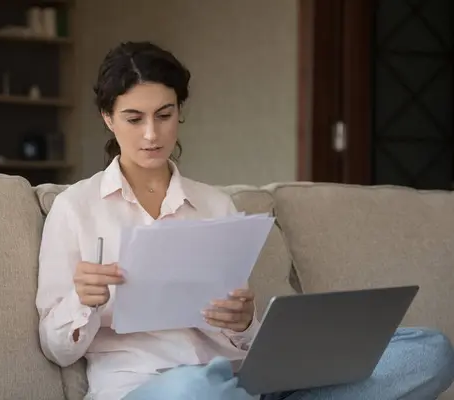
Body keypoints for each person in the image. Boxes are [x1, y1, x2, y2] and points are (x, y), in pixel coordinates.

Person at [36, 41, 454, 400]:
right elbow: (57, 349)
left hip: (245, 380)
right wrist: (83, 302)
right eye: (134, 118)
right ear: (108, 118)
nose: (151, 134)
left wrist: (243, 322)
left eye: (164, 115)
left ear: (179, 112)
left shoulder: (215, 205)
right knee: (200, 389)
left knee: (428, 351)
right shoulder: (76, 208)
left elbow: (246, 336)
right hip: (150, 386)